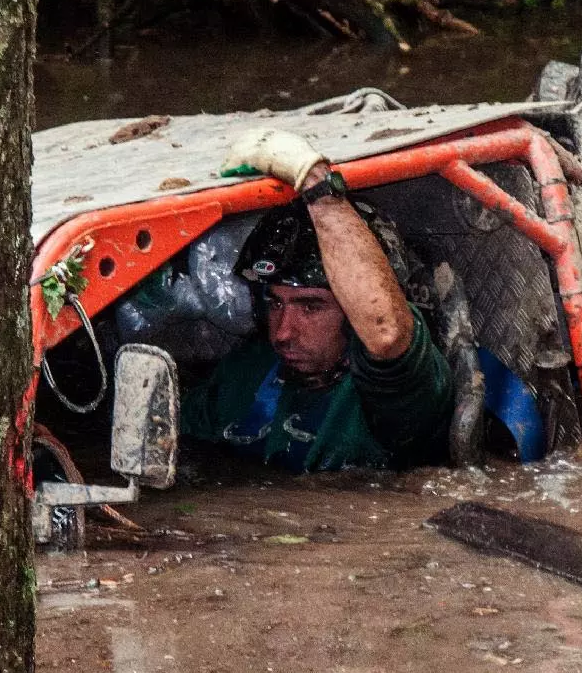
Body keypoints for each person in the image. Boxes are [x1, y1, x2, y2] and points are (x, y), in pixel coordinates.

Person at [181, 130, 452, 472]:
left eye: (311, 307)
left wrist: (316, 183)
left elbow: (386, 334)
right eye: (275, 303)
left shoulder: (407, 391)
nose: (283, 333)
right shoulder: (246, 370)